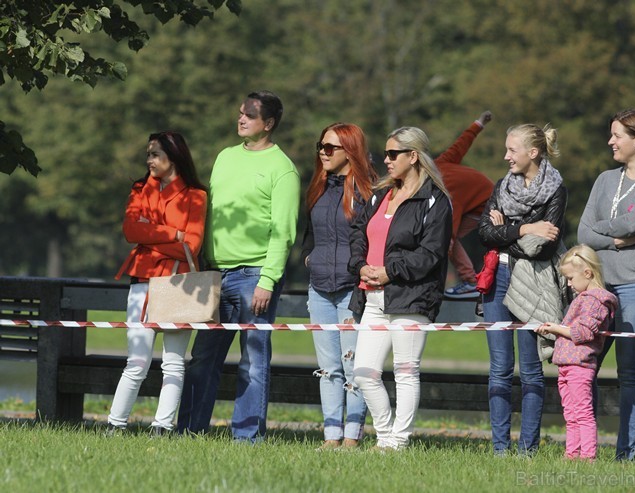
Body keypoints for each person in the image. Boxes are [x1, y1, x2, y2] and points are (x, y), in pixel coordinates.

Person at [177, 91, 300, 443]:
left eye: (249, 115)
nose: (241, 119)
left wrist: (268, 279)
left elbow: (283, 231)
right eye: (240, 113)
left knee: (253, 361)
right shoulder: (225, 157)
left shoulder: (283, 169)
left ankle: (246, 438)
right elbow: (210, 213)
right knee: (202, 357)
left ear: (269, 123)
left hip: (254, 276)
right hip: (214, 275)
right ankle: (190, 431)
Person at [349, 127, 452, 450]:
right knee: (364, 373)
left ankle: (398, 440)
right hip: (372, 296)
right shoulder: (380, 195)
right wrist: (361, 266)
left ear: (414, 156)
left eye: (393, 154)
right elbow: (358, 234)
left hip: (412, 297)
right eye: (386, 153)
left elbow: (431, 254)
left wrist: (390, 272)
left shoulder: (436, 200)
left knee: (406, 372)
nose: (386, 160)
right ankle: (384, 435)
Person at [577, 108, 635, 460]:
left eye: (617, 135)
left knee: (631, 372)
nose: (610, 141)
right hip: (598, 285)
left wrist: (609, 231)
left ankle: (625, 456)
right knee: (586, 367)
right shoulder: (604, 179)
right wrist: (615, 242)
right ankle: (585, 450)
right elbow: (582, 232)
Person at [108, 131, 208, 434]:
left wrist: (150, 233)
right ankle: (115, 425)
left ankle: (162, 427)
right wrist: (171, 234)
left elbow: (191, 246)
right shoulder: (139, 189)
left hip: (179, 284)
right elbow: (130, 230)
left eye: (155, 154)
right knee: (136, 361)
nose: (149, 160)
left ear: (174, 156)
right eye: (148, 154)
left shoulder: (196, 195)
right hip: (141, 282)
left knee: (174, 362)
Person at [478, 123, 567, 456]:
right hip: (497, 281)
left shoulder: (557, 189)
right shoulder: (502, 186)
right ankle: (500, 448)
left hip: (534, 282)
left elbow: (543, 249)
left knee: (531, 369)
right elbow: (484, 233)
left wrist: (506, 232)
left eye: (511, 150)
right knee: (499, 368)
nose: (505, 156)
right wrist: (526, 228)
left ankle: (528, 449)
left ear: (533, 152)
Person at [301, 123, 377, 449]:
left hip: (352, 290)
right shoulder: (318, 187)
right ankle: (331, 437)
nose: (323, 152)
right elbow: (310, 234)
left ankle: (352, 437)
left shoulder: (369, 192)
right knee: (328, 368)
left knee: (353, 366)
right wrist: (309, 258)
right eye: (321, 145)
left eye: (330, 147)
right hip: (318, 290)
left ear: (350, 151)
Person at [535, 245, 618, 461]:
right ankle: (572, 453)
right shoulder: (582, 298)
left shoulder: (594, 301)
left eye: (571, 278)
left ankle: (588, 455)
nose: (569, 284)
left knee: (583, 414)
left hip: (580, 367)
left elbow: (581, 332)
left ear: (588, 273)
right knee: (570, 415)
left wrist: (554, 328)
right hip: (566, 365)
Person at [436, 111, 495, 299]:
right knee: (440, 236)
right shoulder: (439, 164)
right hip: (483, 196)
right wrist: (478, 124)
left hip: (485, 204)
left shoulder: (443, 192)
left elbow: (448, 234)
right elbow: (460, 145)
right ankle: (470, 279)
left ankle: (470, 282)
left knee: (443, 238)